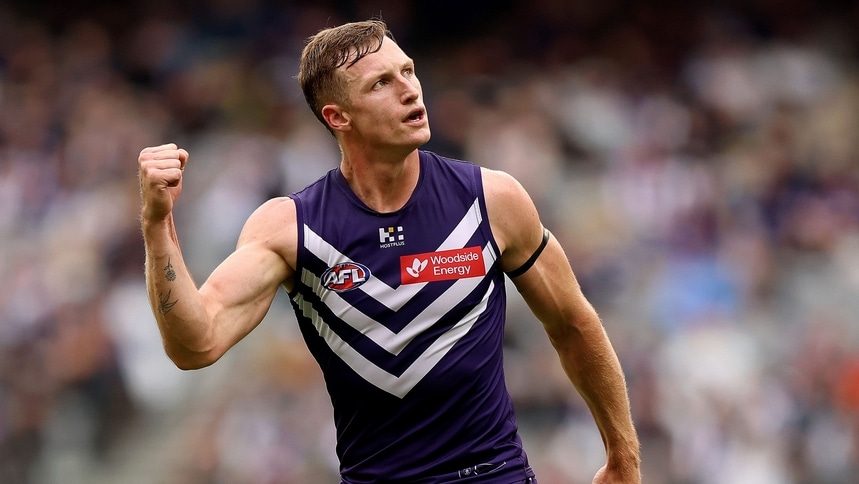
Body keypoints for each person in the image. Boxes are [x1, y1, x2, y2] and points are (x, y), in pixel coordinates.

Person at [138, 19, 641, 484]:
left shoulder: (493, 199)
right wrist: (158, 224)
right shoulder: (291, 228)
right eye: (381, 83)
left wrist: (623, 458)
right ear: (338, 116)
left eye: (408, 71)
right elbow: (195, 345)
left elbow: (574, 325)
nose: (410, 89)